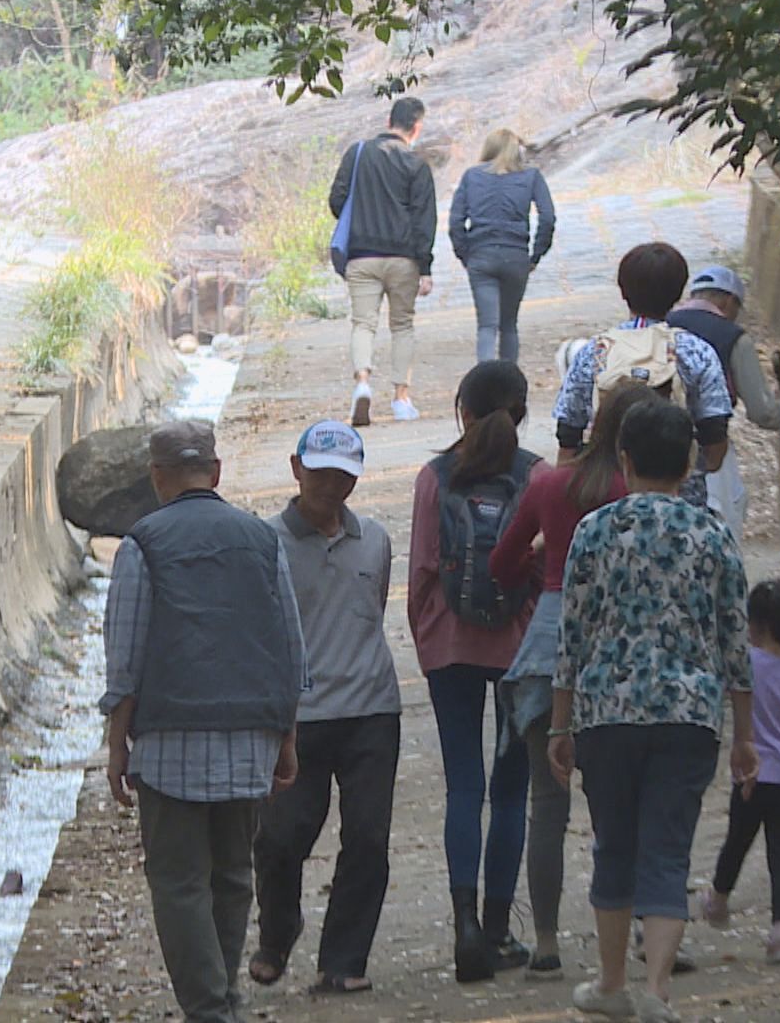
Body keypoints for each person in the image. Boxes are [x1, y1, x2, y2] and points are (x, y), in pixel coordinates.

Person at [550, 397, 756, 1023]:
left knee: (613, 844)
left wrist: (560, 723)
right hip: (688, 713)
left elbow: (572, 636)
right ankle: (658, 990)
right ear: (690, 462)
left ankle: (612, 982)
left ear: (624, 459)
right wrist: (745, 735)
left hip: (607, 711)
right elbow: (734, 642)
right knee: (668, 849)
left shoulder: (594, 532)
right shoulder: (712, 534)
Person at [102, 419, 308, 1023]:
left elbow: (125, 655)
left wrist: (117, 745)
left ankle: (208, 1007)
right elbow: (290, 648)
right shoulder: (262, 540)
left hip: (169, 742)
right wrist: (286, 737)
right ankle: (224, 998)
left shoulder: (142, 544)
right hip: (249, 738)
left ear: (156, 476)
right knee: (233, 875)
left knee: (178, 881)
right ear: (216, 472)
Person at [488, 381, 663, 982]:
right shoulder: (636, 492)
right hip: (621, 648)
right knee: (626, 805)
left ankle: (545, 943)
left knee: (547, 806)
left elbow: (501, 562)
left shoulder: (548, 483)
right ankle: (643, 928)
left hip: (550, 640)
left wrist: (542, 567)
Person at [250, 420, 400, 996]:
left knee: (367, 837)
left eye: (343, 476)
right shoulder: (266, 543)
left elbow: (372, 607)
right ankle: (277, 932)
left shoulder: (374, 540)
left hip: (371, 709)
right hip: (298, 714)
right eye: (320, 473)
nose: (330, 486)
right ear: (296, 469)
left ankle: (343, 958)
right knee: (280, 837)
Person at [408, 360, 540, 983]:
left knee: (464, 786)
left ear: (462, 410)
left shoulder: (434, 478)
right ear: (521, 412)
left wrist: (428, 640)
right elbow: (547, 569)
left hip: (451, 646)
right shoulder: (536, 475)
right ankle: (496, 928)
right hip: (519, 650)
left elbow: (421, 573)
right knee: (511, 791)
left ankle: (463, 926)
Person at [694, 578, 780, 965]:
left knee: (737, 840)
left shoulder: (746, 665)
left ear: (754, 625)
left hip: (753, 773)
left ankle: (718, 899)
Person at [552, 242, 732, 509]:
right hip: (681, 507)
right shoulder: (698, 353)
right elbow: (716, 450)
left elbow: (567, 440)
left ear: (623, 291)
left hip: (604, 503)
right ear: (678, 292)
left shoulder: (595, 351)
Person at [665, 265, 780, 543]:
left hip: (653, 449)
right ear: (728, 301)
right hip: (711, 449)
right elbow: (762, 413)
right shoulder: (732, 337)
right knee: (721, 526)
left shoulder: (662, 324)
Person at [327, 97, 437, 426]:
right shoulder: (416, 164)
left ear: (389, 122)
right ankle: (401, 399)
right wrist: (425, 267)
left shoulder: (358, 153)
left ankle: (362, 383)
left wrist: (361, 216)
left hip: (362, 255)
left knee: (363, 324)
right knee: (402, 325)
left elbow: (336, 200)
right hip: (404, 258)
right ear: (416, 127)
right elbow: (424, 219)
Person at [448, 128, 555, 363]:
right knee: (509, 325)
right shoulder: (531, 176)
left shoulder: (471, 176)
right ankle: (509, 379)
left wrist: (465, 255)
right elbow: (547, 218)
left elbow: (455, 221)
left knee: (486, 326)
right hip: (515, 255)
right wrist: (535, 255)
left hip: (481, 255)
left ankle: (485, 378)